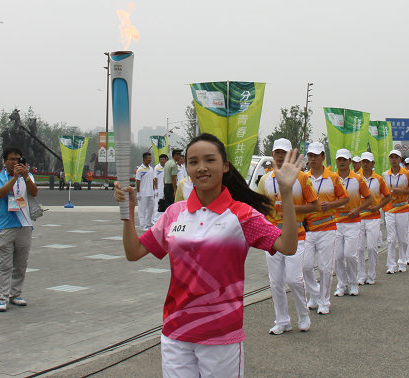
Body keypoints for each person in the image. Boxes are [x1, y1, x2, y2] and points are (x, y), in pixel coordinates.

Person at [114, 133, 303, 377]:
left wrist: (286, 193)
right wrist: (128, 212)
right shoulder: (174, 214)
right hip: (176, 333)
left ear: (224, 166)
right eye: (193, 162)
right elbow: (134, 252)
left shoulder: (241, 214)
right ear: (187, 168)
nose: (201, 168)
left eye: (209, 160)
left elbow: (288, 246)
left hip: (221, 336)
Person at [256, 138, 319, 334]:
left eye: (284, 153)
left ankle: (303, 314)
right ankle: (282, 320)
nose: (280, 156)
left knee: (293, 279)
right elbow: (260, 207)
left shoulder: (301, 178)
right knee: (275, 282)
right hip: (273, 237)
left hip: (297, 235)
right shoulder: (266, 180)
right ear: (272, 155)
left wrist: (291, 207)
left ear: (290, 155)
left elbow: (315, 205)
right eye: (277, 153)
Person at [304, 142, 349, 314]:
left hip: (328, 228)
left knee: (325, 267)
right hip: (308, 229)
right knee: (305, 266)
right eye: (310, 156)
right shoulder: (303, 177)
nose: (313, 159)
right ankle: (315, 294)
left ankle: (324, 301)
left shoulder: (333, 177)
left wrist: (330, 205)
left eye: (316, 156)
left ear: (323, 157)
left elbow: (344, 198)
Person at [0, 147, 38, 312]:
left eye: (18, 159)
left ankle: (15, 294)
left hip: (25, 224)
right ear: (5, 161)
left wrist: (25, 176)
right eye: (11, 159)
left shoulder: (28, 176)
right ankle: (1, 297)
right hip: (6, 226)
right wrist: (14, 178)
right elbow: (1, 193)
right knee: (4, 265)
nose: (15, 162)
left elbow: (34, 192)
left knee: (20, 264)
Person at [333, 149, 372, 297]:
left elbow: (368, 198)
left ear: (350, 161)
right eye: (339, 159)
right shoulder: (331, 178)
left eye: (344, 159)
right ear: (336, 161)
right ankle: (341, 284)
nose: (341, 162)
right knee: (337, 256)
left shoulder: (358, 179)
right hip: (336, 222)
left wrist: (358, 209)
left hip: (353, 222)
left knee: (350, 255)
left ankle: (353, 283)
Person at [357, 152, 391, 285]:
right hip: (359, 217)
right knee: (359, 249)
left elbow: (387, 196)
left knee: (371, 247)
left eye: (368, 162)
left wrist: (378, 206)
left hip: (373, 217)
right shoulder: (355, 178)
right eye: (363, 161)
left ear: (373, 164)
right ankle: (360, 275)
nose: (365, 164)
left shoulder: (379, 179)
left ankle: (371, 275)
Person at [382, 150, 409, 273]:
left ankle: (402, 261)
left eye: (396, 158)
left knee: (402, 237)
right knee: (391, 238)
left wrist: (401, 191)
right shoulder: (385, 175)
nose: (394, 160)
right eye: (391, 157)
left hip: (402, 208)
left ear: (400, 159)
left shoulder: (406, 174)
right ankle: (391, 265)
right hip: (390, 209)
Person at [135, 152, 156, 231]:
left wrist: (154, 190)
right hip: (143, 193)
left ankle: (147, 224)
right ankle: (142, 225)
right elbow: (138, 181)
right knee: (142, 210)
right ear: (144, 159)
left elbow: (153, 180)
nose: (150, 159)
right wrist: (138, 192)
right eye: (149, 158)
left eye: (151, 158)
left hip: (150, 192)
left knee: (151, 209)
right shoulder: (140, 169)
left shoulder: (151, 168)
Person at [152, 154, 168, 223]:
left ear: (166, 160)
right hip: (159, 189)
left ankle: (162, 219)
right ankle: (155, 219)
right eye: (161, 159)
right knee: (157, 204)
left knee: (164, 204)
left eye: (163, 159)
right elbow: (155, 179)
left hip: (166, 188)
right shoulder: (157, 168)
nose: (162, 161)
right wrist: (156, 189)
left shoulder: (167, 167)